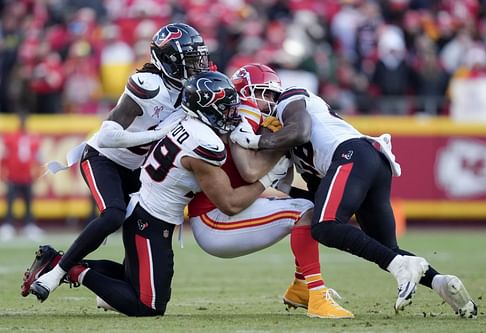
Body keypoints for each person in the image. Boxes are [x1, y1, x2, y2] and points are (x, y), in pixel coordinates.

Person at [22, 71, 289, 317]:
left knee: (137, 281)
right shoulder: (204, 144)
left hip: (148, 209)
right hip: (149, 219)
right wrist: (267, 177)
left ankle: (58, 262)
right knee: (148, 305)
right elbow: (230, 203)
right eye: (225, 107)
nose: (231, 113)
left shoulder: (185, 121)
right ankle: (73, 269)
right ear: (205, 109)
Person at [229, 64, 478, 318]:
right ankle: (442, 283)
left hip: (351, 154)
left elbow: (300, 130)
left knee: (324, 227)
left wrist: (258, 141)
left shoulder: (289, 100)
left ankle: (402, 268)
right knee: (385, 247)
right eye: (263, 96)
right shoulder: (287, 145)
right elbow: (313, 197)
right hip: (368, 163)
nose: (267, 102)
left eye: (267, 94)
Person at [21, 23, 211, 302]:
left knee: (142, 230)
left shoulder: (187, 90)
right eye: (192, 59)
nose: (199, 65)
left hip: (136, 166)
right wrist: (158, 133)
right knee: (113, 215)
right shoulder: (149, 86)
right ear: (170, 60)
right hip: (104, 158)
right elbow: (109, 134)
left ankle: (65, 265)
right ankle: (55, 274)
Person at [187, 63, 353, 319]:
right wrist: (276, 148)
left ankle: (301, 287)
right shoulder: (243, 112)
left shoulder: (259, 119)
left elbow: (281, 187)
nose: (269, 101)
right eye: (263, 93)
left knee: (308, 208)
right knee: (305, 210)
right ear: (244, 91)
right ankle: (317, 296)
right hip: (213, 220)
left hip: (226, 213)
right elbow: (250, 173)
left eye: (273, 96)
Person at [0, 112, 44, 241]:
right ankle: (8, 225)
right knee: (10, 202)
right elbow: (4, 156)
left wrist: (37, 172)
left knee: (28, 202)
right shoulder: (10, 137)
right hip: (13, 175)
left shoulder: (33, 138)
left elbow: (38, 156)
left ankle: (29, 225)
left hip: (27, 175)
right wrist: (3, 171)